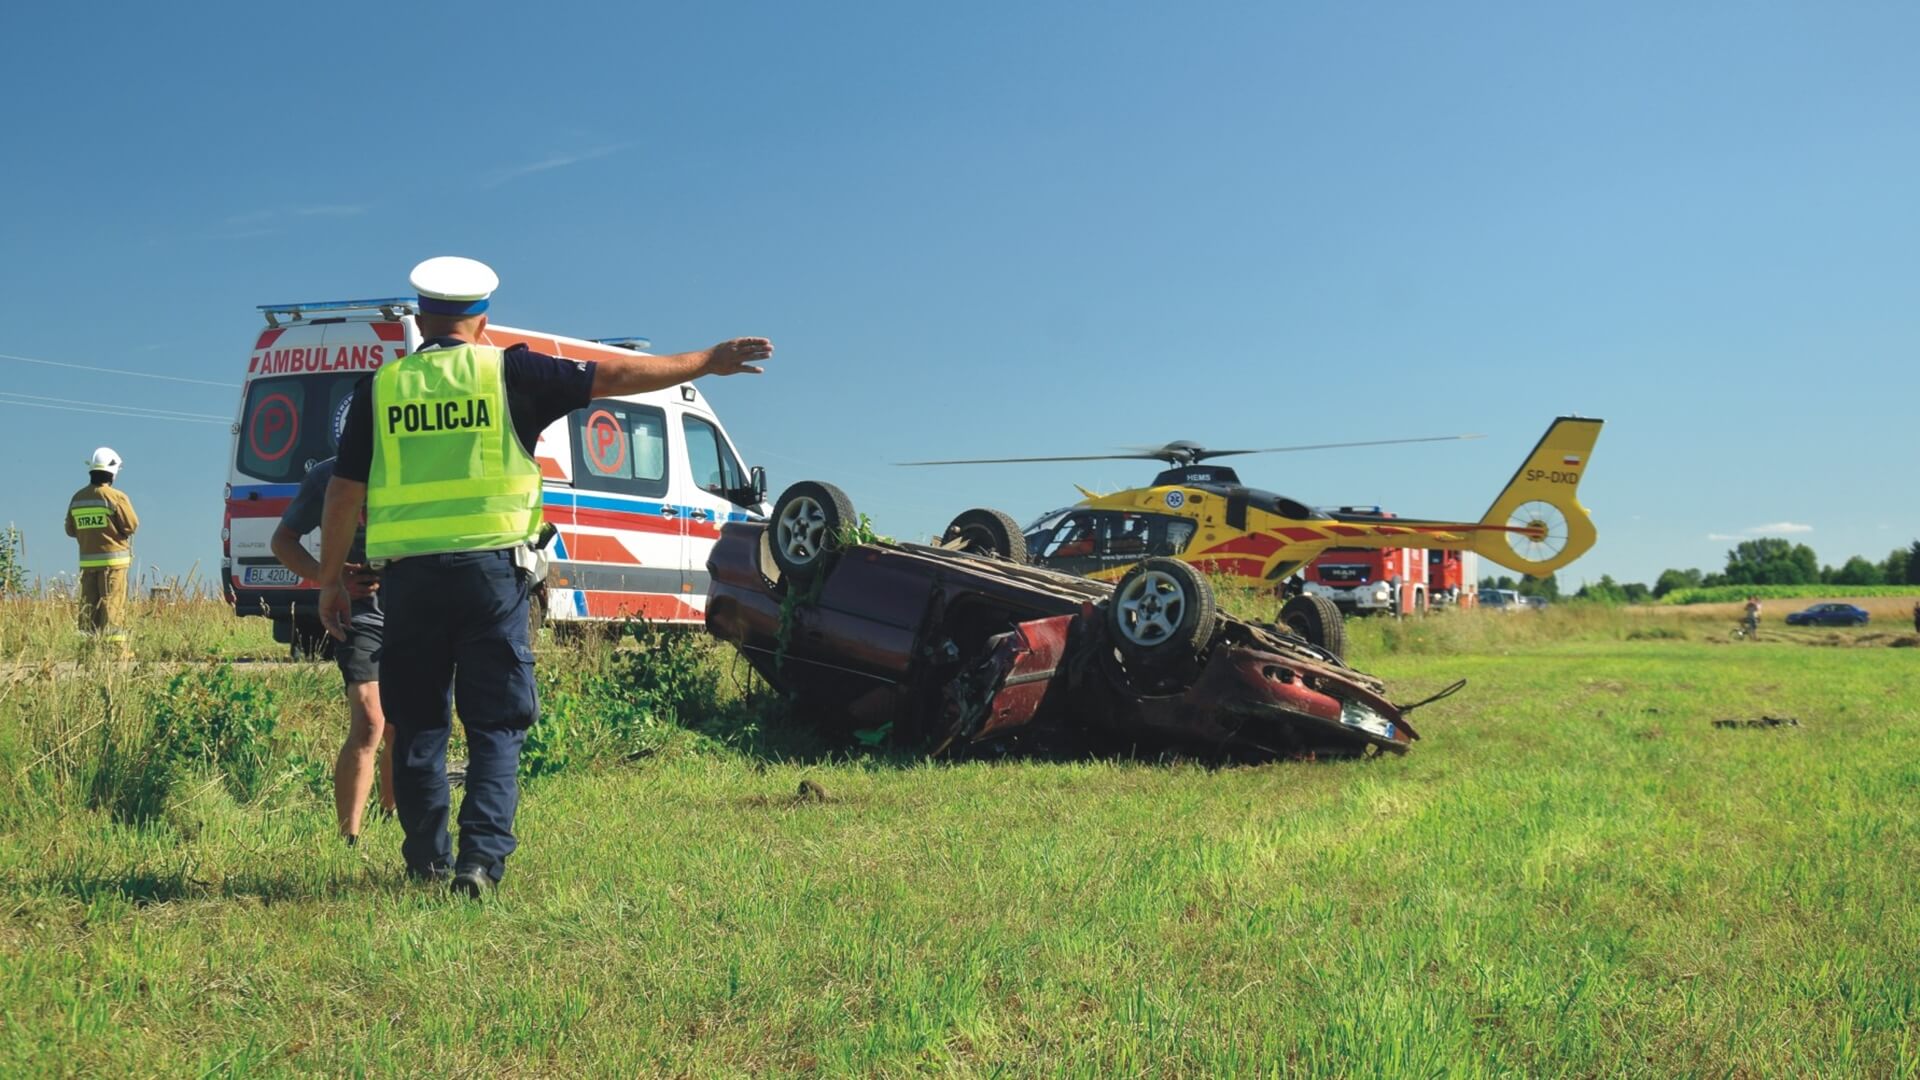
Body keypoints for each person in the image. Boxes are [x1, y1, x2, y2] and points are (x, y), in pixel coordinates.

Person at [314, 256, 774, 899]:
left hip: (409, 582)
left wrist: (330, 582)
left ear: (421, 318)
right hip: (491, 578)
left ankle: (426, 863)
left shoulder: (382, 389)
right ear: (483, 320)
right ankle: (479, 863)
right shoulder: (511, 371)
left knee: (417, 725)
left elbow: (342, 493)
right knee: (496, 725)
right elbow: (616, 374)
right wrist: (706, 361)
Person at [271, 404, 395, 846]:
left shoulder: (415, 468)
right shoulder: (326, 475)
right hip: (358, 614)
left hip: (413, 609)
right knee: (370, 721)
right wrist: (332, 576)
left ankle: (392, 816)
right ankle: (349, 840)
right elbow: (282, 542)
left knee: (401, 726)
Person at [64, 447, 139, 655]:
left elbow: (70, 530)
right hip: (114, 564)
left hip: (87, 564)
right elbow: (131, 526)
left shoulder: (78, 498)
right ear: (112, 472)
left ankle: (87, 650)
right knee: (112, 605)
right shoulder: (116, 497)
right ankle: (116, 650)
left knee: (88, 607)